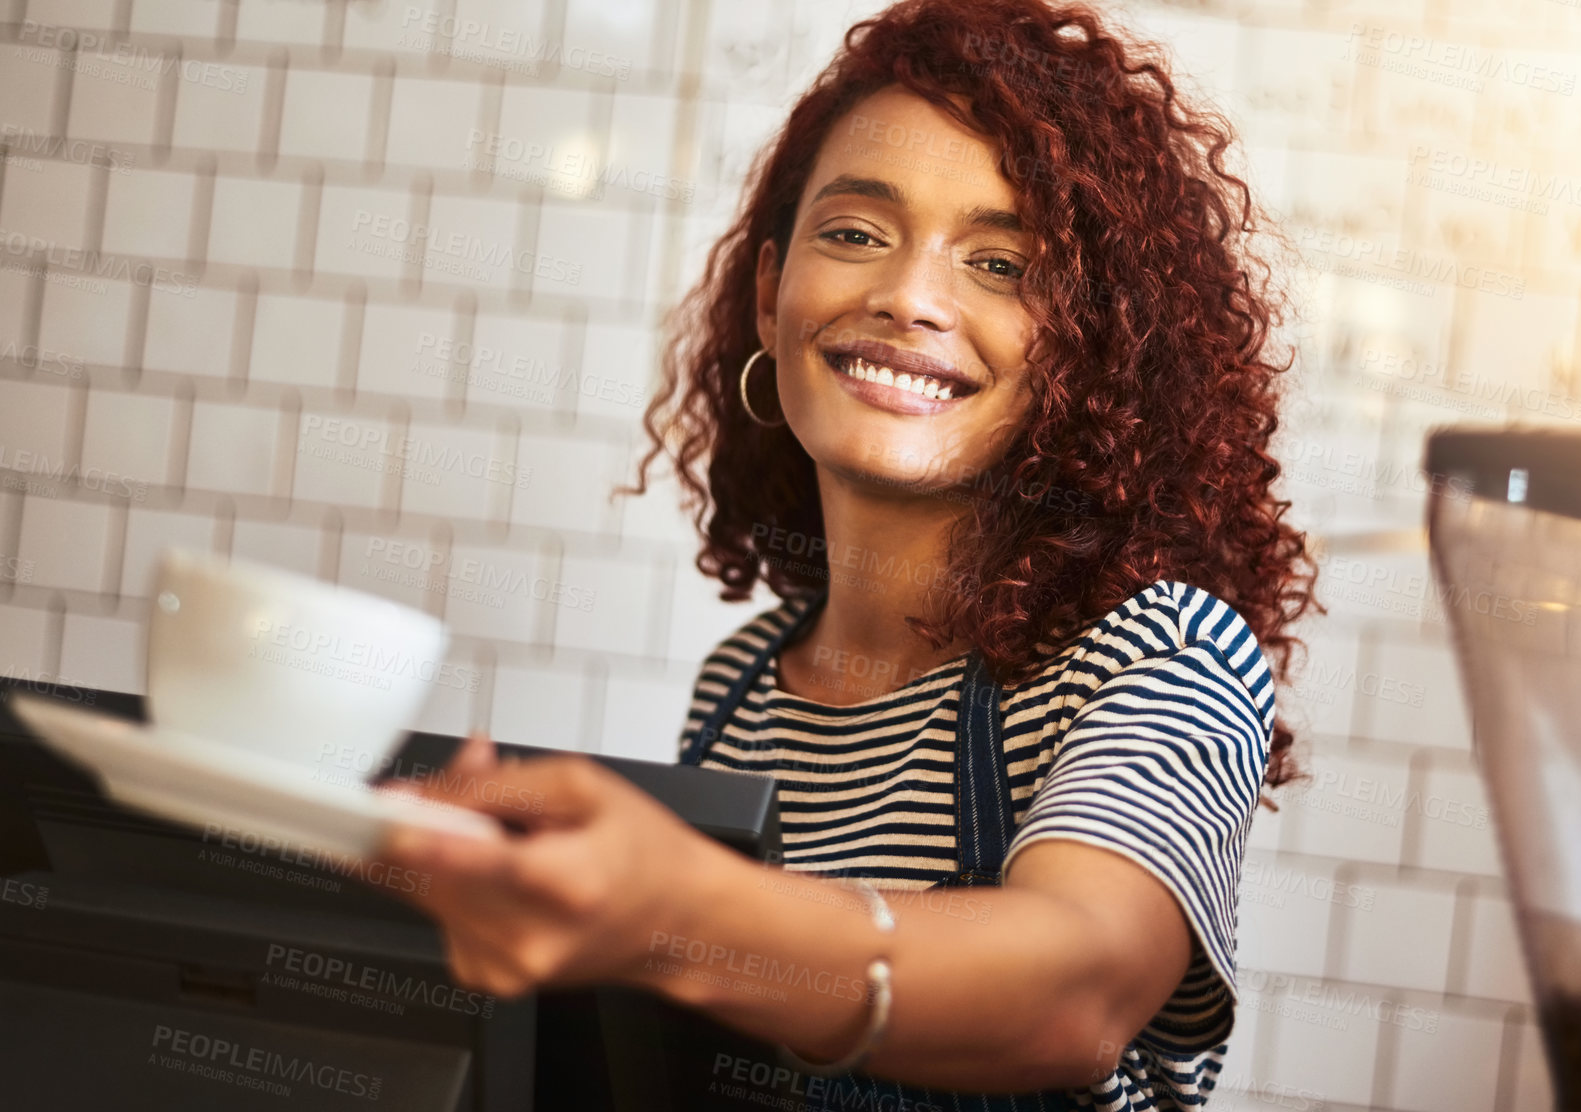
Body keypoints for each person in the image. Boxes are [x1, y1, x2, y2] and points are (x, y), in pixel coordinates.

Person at [375, 0, 1320, 1107]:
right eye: (857, 234)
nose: (908, 297)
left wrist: (673, 913)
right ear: (771, 296)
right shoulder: (739, 691)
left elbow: (1072, 990)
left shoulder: (1159, 655)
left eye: (1003, 263)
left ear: (1091, 343)